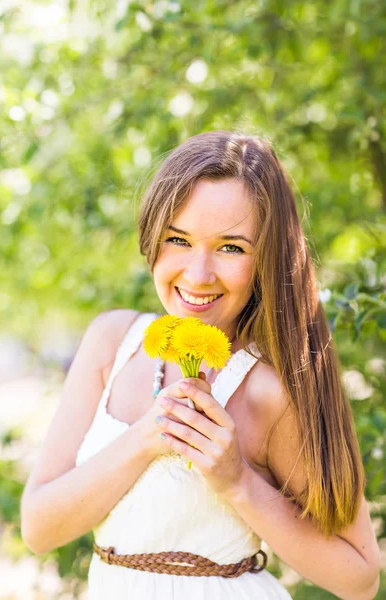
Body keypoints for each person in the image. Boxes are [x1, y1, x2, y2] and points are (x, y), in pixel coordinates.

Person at [20, 131, 381, 599]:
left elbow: (360, 579)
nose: (197, 274)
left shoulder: (270, 389)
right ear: (152, 236)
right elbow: (38, 529)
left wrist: (238, 482)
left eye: (231, 247)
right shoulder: (113, 342)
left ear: (265, 259)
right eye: (178, 239)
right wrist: (146, 438)